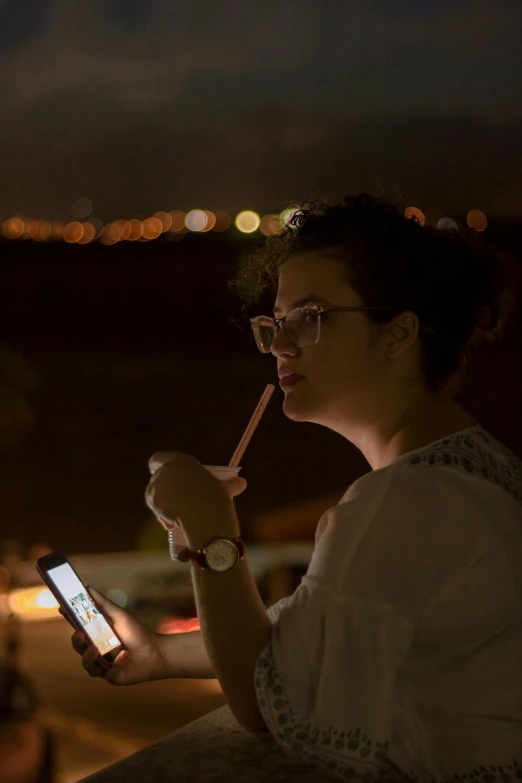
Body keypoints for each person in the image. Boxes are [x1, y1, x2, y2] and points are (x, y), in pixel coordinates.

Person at [65, 194, 521, 781]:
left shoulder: (405, 502)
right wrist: (158, 653)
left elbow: (266, 708)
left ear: (398, 333)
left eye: (311, 317)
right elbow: (319, 637)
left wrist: (212, 534)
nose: (281, 346)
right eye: (276, 324)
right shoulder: (472, 466)